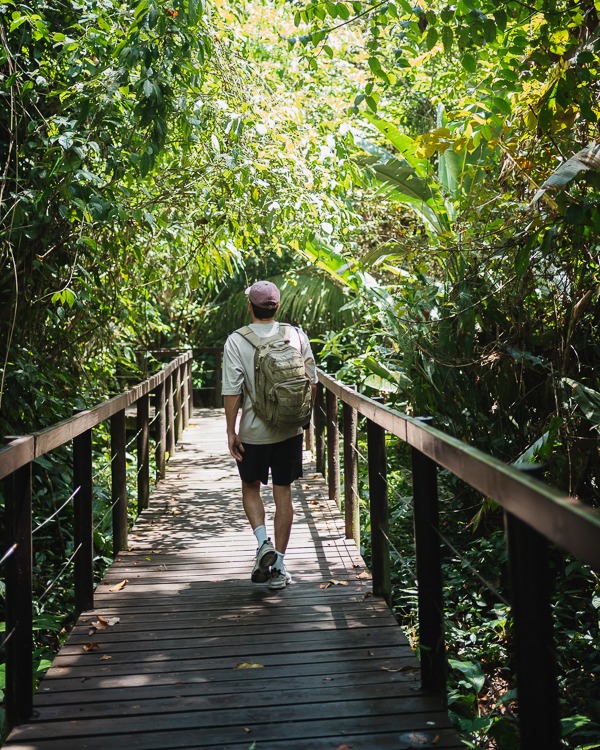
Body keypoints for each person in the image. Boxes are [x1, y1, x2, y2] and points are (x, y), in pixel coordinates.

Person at [222, 280, 317, 590]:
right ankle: (278, 566)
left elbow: (232, 390)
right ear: (278, 306)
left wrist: (231, 430)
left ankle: (263, 542)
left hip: (253, 431)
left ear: (250, 307)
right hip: (289, 430)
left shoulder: (237, 341)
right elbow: (311, 382)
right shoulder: (296, 335)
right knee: (283, 492)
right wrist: (302, 420)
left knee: (250, 486)